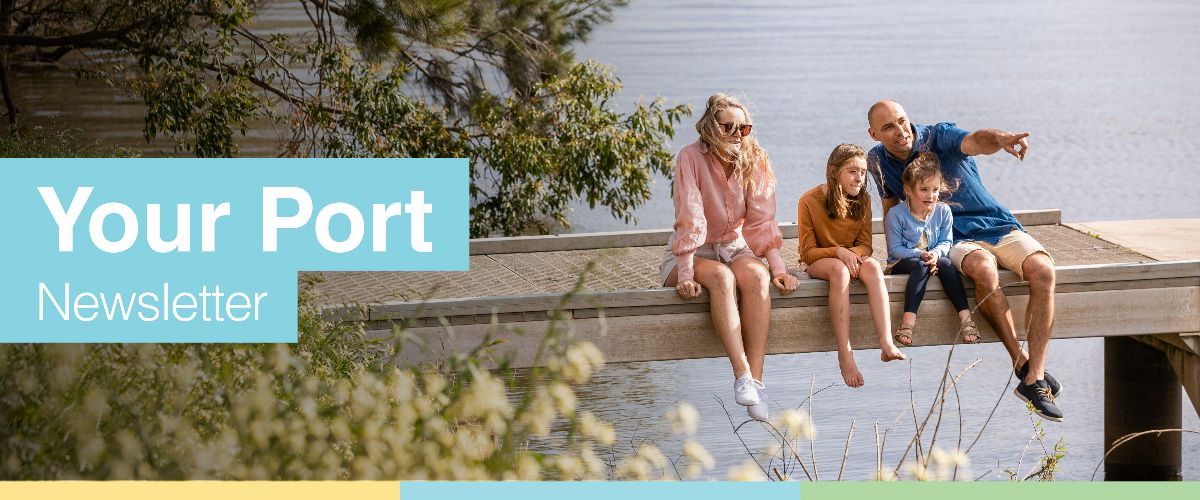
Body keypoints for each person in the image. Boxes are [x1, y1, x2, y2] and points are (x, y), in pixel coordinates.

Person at [866, 100, 1063, 422]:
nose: (900, 131)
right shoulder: (878, 160)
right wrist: (897, 251)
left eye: (902, 121)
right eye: (888, 127)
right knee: (982, 268)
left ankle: (1033, 375)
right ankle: (1025, 367)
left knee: (1043, 270)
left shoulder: (938, 136)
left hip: (997, 224)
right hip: (951, 237)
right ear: (874, 133)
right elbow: (892, 207)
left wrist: (1000, 139)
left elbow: (975, 141)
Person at [662, 94, 799, 421]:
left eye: (744, 127)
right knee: (722, 278)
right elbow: (690, 217)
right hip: (692, 250)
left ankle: (758, 382)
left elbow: (761, 221)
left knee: (756, 276)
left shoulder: (756, 158)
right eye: (729, 127)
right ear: (712, 126)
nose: (738, 133)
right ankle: (741, 377)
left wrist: (777, 268)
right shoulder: (689, 158)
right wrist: (684, 274)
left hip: (735, 245)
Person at [797, 143, 907, 389]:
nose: (859, 178)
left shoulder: (863, 200)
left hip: (851, 260)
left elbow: (866, 246)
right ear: (835, 171)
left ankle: (886, 342)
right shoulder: (808, 200)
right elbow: (807, 251)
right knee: (838, 270)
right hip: (818, 262)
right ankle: (845, 352)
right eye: (852, 171)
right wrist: (839, 252)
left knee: (873, 268)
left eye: (863, 172)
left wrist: (852, 254)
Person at [884, 152, 980, 346]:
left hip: (934, 260)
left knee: (946, 262)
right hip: (904, 261)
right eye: (924, 189)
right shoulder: (896, 214)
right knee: (920, 266)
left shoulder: (943, 211)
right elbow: (895, 249)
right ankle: (908, 323)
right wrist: (921, 254)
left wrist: (935, 254)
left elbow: (946, 241)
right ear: (909, 190)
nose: (931, 195)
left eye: (935, 189)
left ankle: (966, 319)